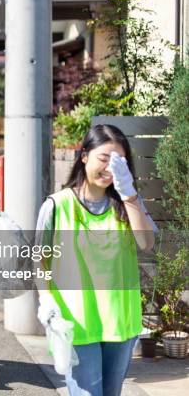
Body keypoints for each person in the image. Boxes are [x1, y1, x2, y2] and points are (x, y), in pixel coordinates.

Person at [36, 124, 156, 396]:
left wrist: (129, 195)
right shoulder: (57, 205)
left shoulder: (128, 203)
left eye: (119, 163)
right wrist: (46, 301)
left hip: (120, 322)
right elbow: (38, 261)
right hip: (76, 322)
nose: (110, 169)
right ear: (84, 156)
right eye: (104, 159)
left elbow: (146, 243)